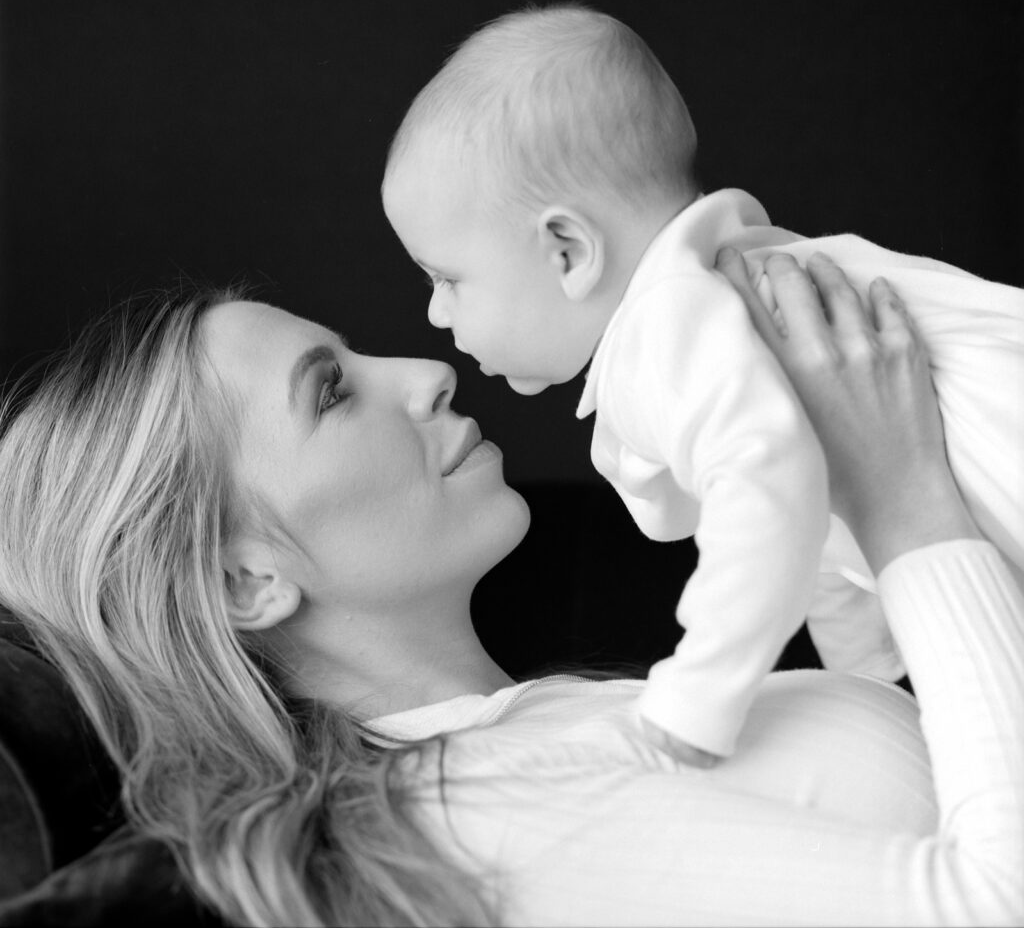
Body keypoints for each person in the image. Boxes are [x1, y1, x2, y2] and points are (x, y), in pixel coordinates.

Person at [0, 248, 1020, 927]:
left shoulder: (533, 740)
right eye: (332, 390)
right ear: (243, 577)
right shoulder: (472, 809)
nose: (423, 370)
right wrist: (905, 502)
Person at [380, 3, 1024, 766]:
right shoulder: (731, 292)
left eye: (448, 278)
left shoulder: (663, 328)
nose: (433, 311)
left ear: (566, 251)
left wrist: (695, 699)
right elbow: (813, 512)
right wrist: (878, 669)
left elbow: (768, 486)